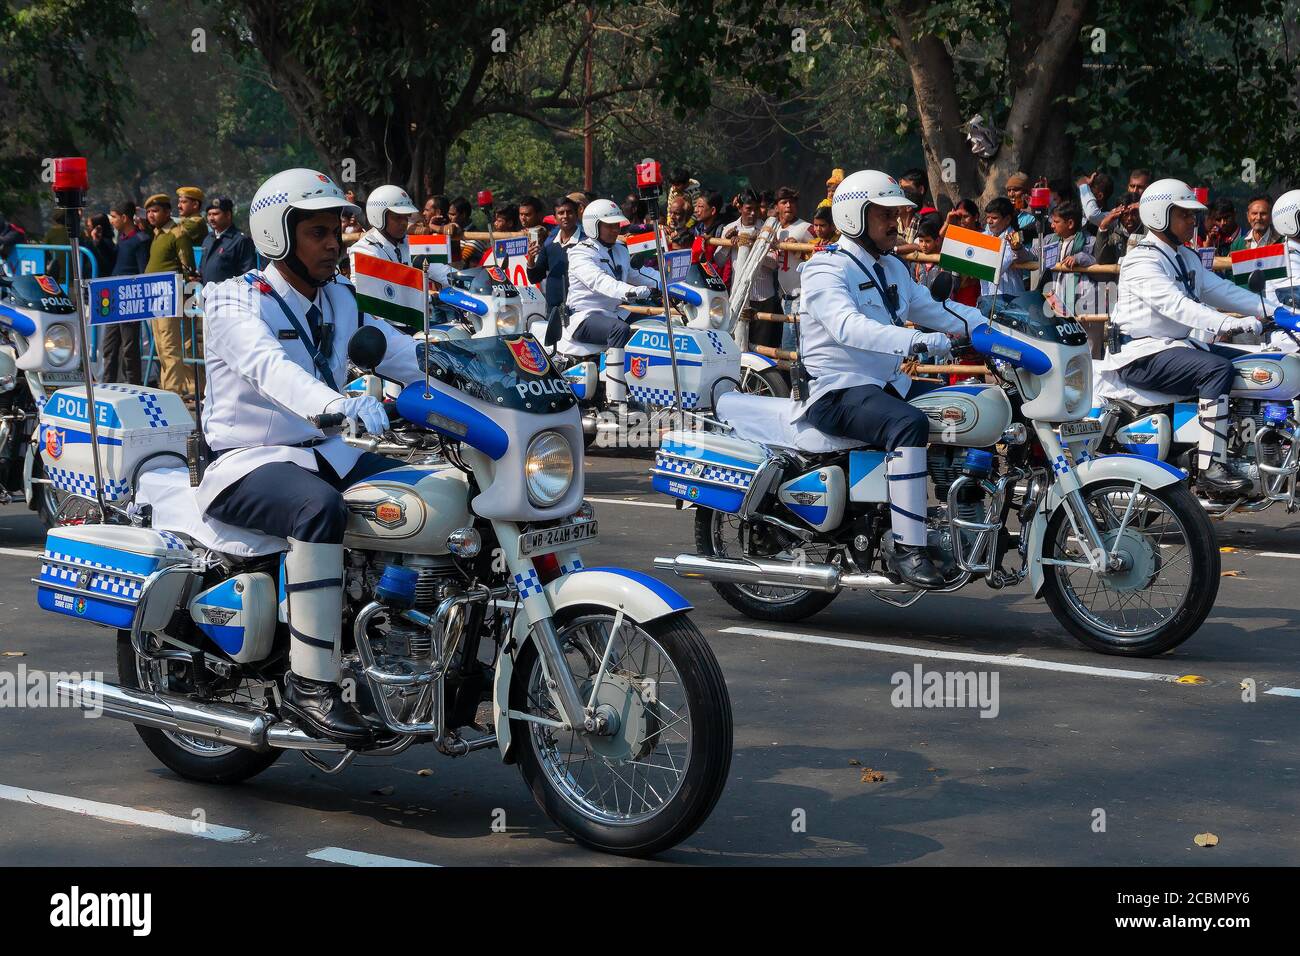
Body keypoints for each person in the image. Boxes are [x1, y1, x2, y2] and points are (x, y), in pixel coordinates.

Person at [198, 168, 424, 745]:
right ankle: (311, 684)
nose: (333, 244)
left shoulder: (341, 299)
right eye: (319, 232)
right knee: (318, 510)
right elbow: (270, 368)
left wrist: (485, 371)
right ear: (278, 235)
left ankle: (392, 646)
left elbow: (397, 351)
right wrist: (336, 404)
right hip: (248, 462)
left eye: (337, 231)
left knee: (425, 493)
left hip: (326, 451)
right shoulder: (235, 300)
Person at [797, 170, 983, 588]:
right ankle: (908, 548)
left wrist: (999, 329)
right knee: (908, 424)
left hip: (884, 386)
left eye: (897, 214)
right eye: (885, 213)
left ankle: (961, 520)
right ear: (854, 216)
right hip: (837, 389)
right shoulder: (824, 270)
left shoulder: (893, 268)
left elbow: (943, 311)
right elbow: (848, 326)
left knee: (967, 406)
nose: (895, 222)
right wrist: (919, 342)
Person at [1098, 179, 1267, 497]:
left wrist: (1275, 311)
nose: (1193, 221)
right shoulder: (1141, 261)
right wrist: (1231, 324)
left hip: (1174, 346)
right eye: (1185, 215)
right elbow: (1177, 307)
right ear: (1159, 215)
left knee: (1256, 363)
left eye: (1193, 215)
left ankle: (1244, 445)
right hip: (1141, 353)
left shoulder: (1185, 257)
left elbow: (1223, 290)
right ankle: (1210, 468)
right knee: (1216, 369)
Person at [557, 199, 657, 404]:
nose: (614, 230)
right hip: (584, 316)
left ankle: (649, 386)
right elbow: (601, 282)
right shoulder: (580, 252)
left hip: (613, 313)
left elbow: (640, 274)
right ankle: (615, 396)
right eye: (609, 225)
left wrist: (670, 282)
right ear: (594, 226)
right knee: (618, 330)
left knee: (656, 326)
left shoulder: (620, 249)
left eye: (616, 225)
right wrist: (635, 291)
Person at [349, 184, 457, 302]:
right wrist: (430, 297)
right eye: (397, 217)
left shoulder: (410, 244)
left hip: (414, 317)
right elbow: (371, 297)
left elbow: (444, 274)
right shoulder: (364, 250)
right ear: (379, 217)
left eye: (406, 217)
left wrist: (469, 282)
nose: (404, 223)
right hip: (381, 319)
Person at [143, 193, 199, 398]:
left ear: (167, 212)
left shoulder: (178, 233)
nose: (151, 215)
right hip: (155, 294)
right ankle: (173, 388)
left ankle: (172, 392)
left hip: (170, 293)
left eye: (155, 211)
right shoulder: (158, 234)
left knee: (170, 345)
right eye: (148, 211)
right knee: (160, 344)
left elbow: (188, 268)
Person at [99, 201, 150, 384]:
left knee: (129, 346)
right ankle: (107, 383)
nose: (111, 221)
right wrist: (98, 242)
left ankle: (133, 384)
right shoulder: (121, 239)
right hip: (114, 295)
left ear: (124, 217)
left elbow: (143, 270)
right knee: (109, 345)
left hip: (130, 297)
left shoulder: (141, 240)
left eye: (113, 217)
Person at [526, 194, 584, 310]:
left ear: (577, 214)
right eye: (561, 213)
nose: (565, 216)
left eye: (569, 212)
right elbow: (535, 277)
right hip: (554, 309)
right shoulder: (550, 243)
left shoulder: (586, 242)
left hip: (580, 308)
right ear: (555, 218)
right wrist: (531, 260)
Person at [200, 196, 257, 285]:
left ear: (228, 215)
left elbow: (247, 274)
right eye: (209, 214)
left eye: (215, 214)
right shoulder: (208, 239)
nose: (211, 218)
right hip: (208, 296)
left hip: (228, 296)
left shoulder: (240, 240)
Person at [982, 196, 1033, 295]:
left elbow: (997, 268)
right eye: (988, 217)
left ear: (1007, 219)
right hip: (988, 295)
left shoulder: (1014, 238)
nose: (989, 221)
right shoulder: (986, 236)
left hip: (1009, 297)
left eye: (994, 218)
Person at [85, 213, 116, 279]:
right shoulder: (89, 241)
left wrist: (96, 242)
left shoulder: (106, 244)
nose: (87, 228)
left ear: (97, 228)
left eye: (89, 226)